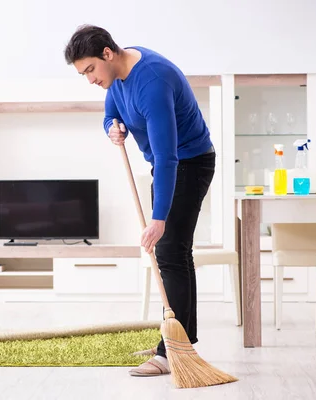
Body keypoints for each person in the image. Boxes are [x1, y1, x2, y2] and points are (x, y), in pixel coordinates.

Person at [64, 25, 216, 377]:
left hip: (188, 162)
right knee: (174, 252)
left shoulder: (152, 81)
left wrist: (159, 217)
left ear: (107, 53)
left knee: (169, 250)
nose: (88, 80)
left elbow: (167, 158)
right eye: (81, 74)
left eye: (89, 70)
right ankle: (182, 339)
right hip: (166, 165)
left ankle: (169, 352)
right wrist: (111, 127)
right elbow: (110, 112)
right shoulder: (115, 76)